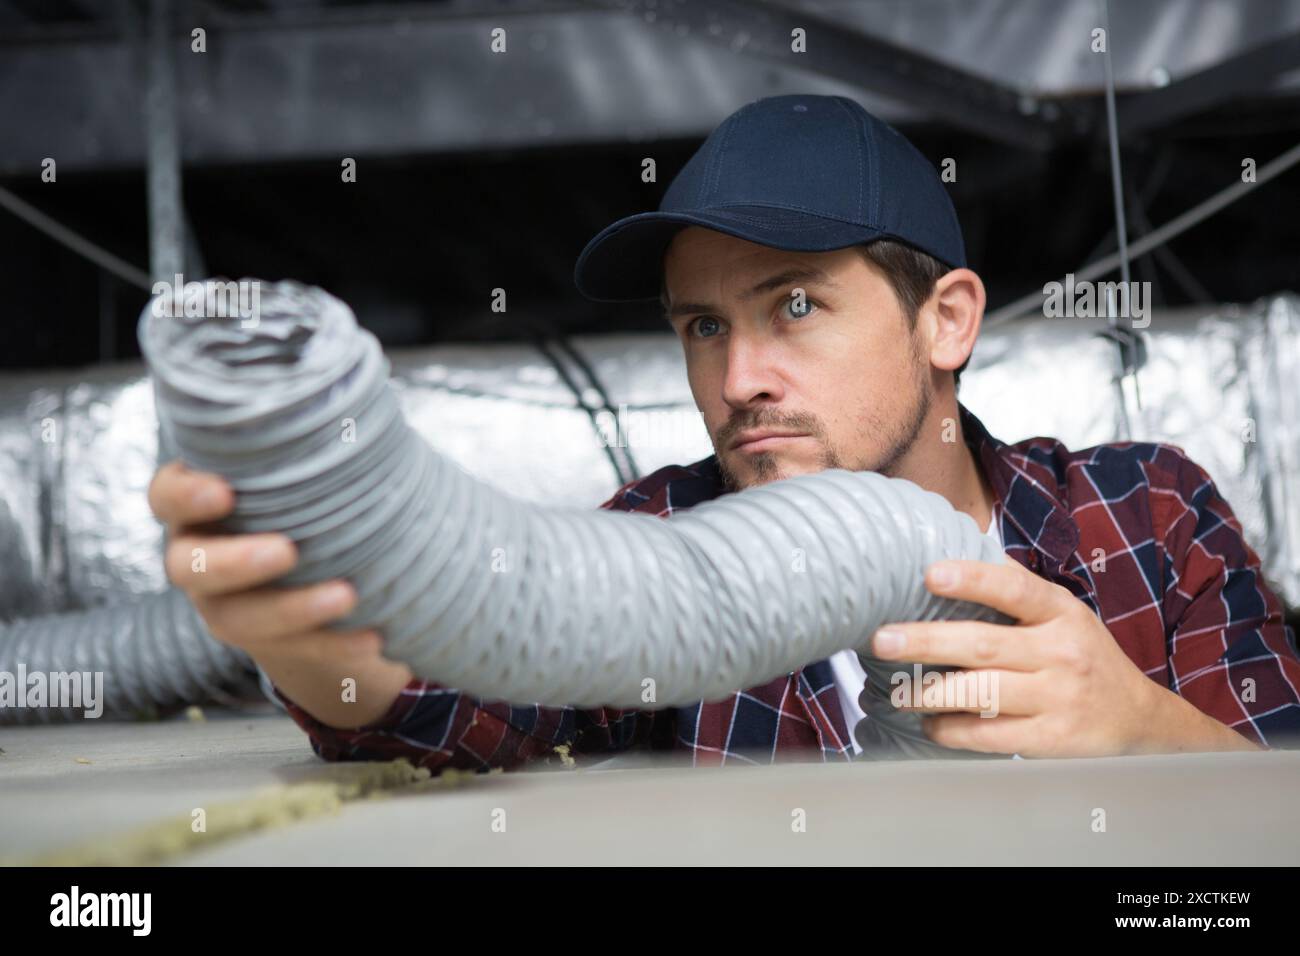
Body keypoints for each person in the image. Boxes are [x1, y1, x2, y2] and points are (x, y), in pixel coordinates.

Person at [147, 94, 1300, 769]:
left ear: (944, 319)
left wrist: (1142, 729)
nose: (739, 376)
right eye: (703, 324)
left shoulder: (1141, 517)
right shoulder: (659, 540)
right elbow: (443, 726)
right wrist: (306, 637)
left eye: (794, 305)